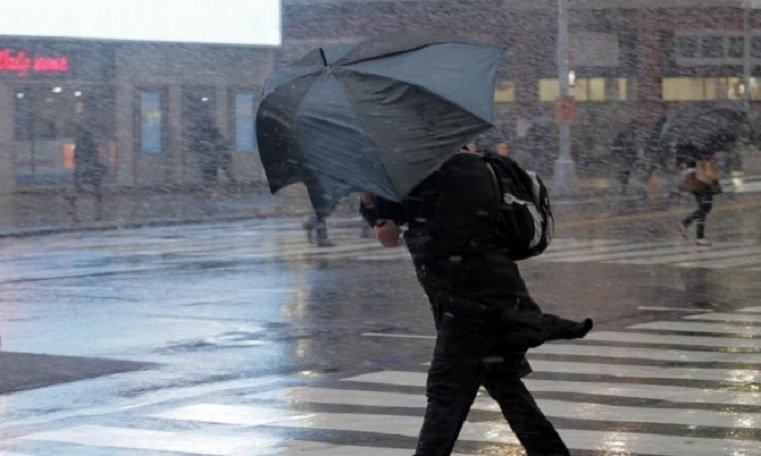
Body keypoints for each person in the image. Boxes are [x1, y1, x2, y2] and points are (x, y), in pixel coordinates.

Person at [360, 151, 593, 456]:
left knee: (445, 392)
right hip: (462, 300)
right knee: (505, 387)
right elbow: (395, 214)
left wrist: (403, 234)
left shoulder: (465, 169)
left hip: (478, 299)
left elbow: (452, 238)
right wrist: (370, 201)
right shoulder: (423, 170)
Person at [677, 143, 722, 247]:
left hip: (695, 179)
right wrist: (712, 159)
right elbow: (706, 164)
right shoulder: (702, 147)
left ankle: (686, 224)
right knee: (704, 208)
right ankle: (699, 236)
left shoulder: (692, 145)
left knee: (704, 208)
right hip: (701, 181)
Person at [68, 125, 106, 221]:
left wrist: (80, 166)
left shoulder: (79, 143)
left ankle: (74, 209)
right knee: (97, 190)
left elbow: (76, 157)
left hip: (82, 170)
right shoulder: (92, 144)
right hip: (91, 170)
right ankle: (98, 212)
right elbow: (95, 156)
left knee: (77, 189)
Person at [191, 120, 234, 189]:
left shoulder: (206, 137)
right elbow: (222, 146)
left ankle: (210, 188)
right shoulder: (213, 136)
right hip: (211, 160)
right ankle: (212, 188)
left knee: (209, 176)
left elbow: (199, 147)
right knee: (212, 175)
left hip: (210, 160)